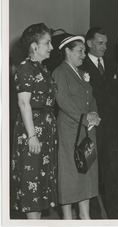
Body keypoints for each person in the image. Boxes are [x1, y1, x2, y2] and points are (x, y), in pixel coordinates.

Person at [79, 27, 118, 219]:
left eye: (106, 43)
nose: (105, 47)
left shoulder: (111, 64)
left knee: (113, 173)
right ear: (89, 43)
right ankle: (94, 217)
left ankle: (116, 215)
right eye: (100, 43)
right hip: (91, 128)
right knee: (92, 174)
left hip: (111, 127)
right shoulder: (81, 66)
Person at [10, 23, 58, 219]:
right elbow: (23, 104)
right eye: (47, 43)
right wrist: (32, 136)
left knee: (40, 187)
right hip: (33, 130)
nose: (51, 47)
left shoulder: (42, 68)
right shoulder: (25, 69)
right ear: (34, 46)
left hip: (45, 129)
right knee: (32, 188)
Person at [52, 34, 101, 219]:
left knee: (86, 172)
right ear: (67, 51)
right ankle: (68, 218)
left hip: (86, 131)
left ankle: (84, 216)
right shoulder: (59, 72)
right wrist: (86, 118)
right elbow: (63, 101)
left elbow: (92, 99)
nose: (83, 55)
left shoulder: (82, 74)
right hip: (70, 131)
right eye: (80, 51)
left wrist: (95, 114)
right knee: (70, 174)